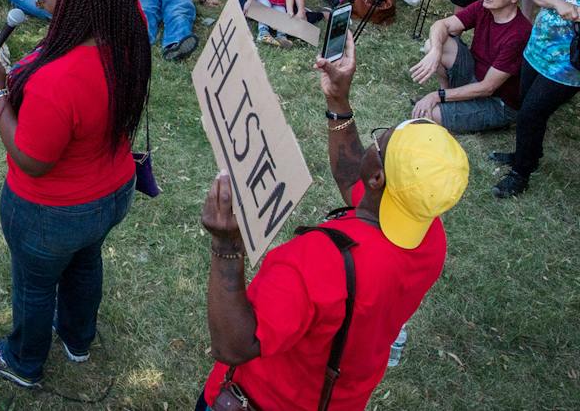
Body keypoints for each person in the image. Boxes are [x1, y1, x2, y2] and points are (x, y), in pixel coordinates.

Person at [198, 34, 469, 411]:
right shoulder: (429, 236)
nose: (373, 145)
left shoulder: (317, 261)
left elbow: (234, 346)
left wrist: (226, 248)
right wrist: (338, 102)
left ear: (378, 179)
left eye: (380, 143)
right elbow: (351, 180)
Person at [0, 0, 149, 389]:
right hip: (111, 196)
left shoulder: (59, 79)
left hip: (51, 214)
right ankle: (77, 339)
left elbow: (32, 159)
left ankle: (24, 363)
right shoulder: (129, 33)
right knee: (86, 263)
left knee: (35, 286)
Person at [491, 0, 580, 197]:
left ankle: (520, 174)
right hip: (536, 50)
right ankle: (528, 155)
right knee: (528, 110)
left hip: (567, 68)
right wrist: (560, 4)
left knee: (531, 113)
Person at [409, 0, 528, 132]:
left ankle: (452, 102)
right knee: (434, 44)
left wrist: (435, 96)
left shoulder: (519, 34)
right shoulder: (484, 7)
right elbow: (441, 25)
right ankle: (449, 94)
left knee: (428, 116)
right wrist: (435, 52)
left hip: (497, 100)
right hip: (474, 75)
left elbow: (488, 87)